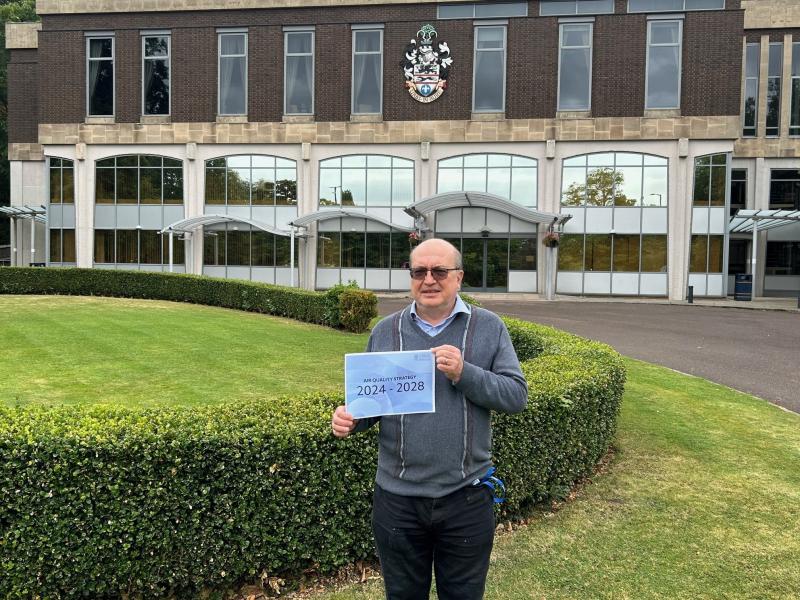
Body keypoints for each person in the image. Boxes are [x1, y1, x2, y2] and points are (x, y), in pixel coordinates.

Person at [331, 238, 528, 600]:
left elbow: (516, 396)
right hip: (398, 501)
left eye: (440, 271)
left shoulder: (488, 327)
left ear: (459, 277)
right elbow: (373, 401)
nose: (429, 279)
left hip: (465, 498)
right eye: (419, 271)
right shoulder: (385, 331)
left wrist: (464, 373)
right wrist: (351, 419)